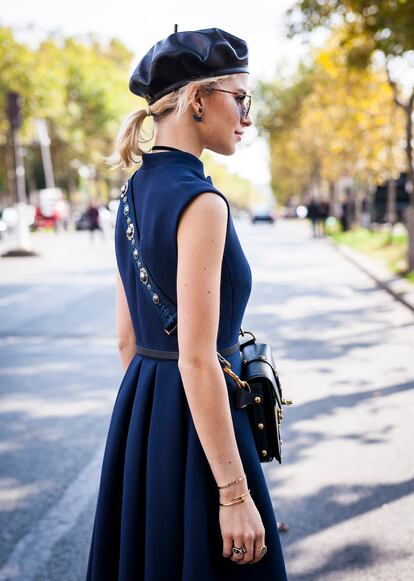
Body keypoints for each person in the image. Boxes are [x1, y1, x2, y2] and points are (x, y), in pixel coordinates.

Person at [86, 27, 288, 580]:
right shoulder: (202, 202)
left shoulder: (131, 193)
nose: (247, 116)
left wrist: (157, 441)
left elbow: (128, 340)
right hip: (203, 416)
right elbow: (197, 359)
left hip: (146, 417)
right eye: (240, 98)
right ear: (198, 99)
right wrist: (231, 493)